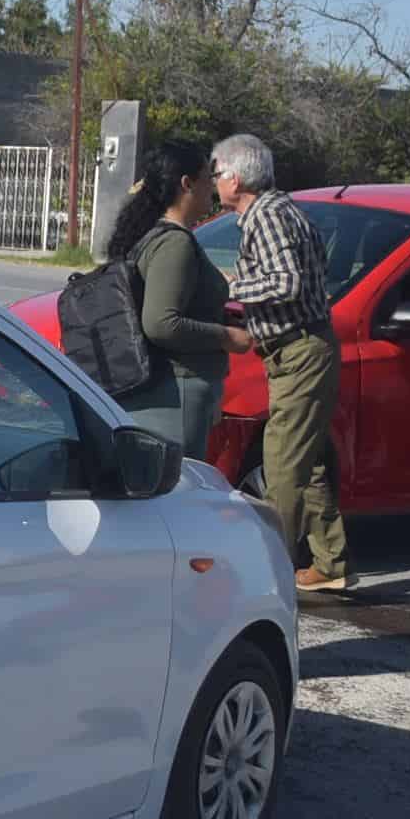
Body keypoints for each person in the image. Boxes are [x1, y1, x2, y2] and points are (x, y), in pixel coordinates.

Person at [212, 132, 352, 595]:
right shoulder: (281, 209)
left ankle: (267, 572)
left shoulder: (265, 216)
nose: (214, 182)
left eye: (217, 173)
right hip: (297, 350)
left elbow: (286, 281)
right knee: (304, 461)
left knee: (283, 466)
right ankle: (330, 563)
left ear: (235, 178)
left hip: (299, 351)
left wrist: (232, 289)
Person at [103, 142, 250, 457]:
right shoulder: (174, 244)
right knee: (178, 493)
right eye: (207, 178)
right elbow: (161, 323)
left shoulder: (156, 236)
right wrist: (227, 336)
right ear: (187, 184)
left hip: (169, 392)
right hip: (177, 394)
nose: (212, 187)